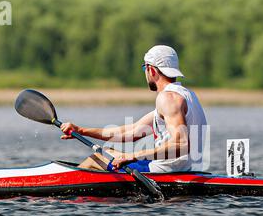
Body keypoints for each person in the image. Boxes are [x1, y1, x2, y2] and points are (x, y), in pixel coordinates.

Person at [60, 45, 207, 173]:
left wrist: (134, 155)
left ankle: (62, 193)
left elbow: (181, 145)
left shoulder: (167, 99)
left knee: (96, 159)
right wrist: (80, 130)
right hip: (185, 169)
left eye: (145, 68)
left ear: (151, 70)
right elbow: (130, 132)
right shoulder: (187, 95)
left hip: (166, 172)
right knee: (107, 152)